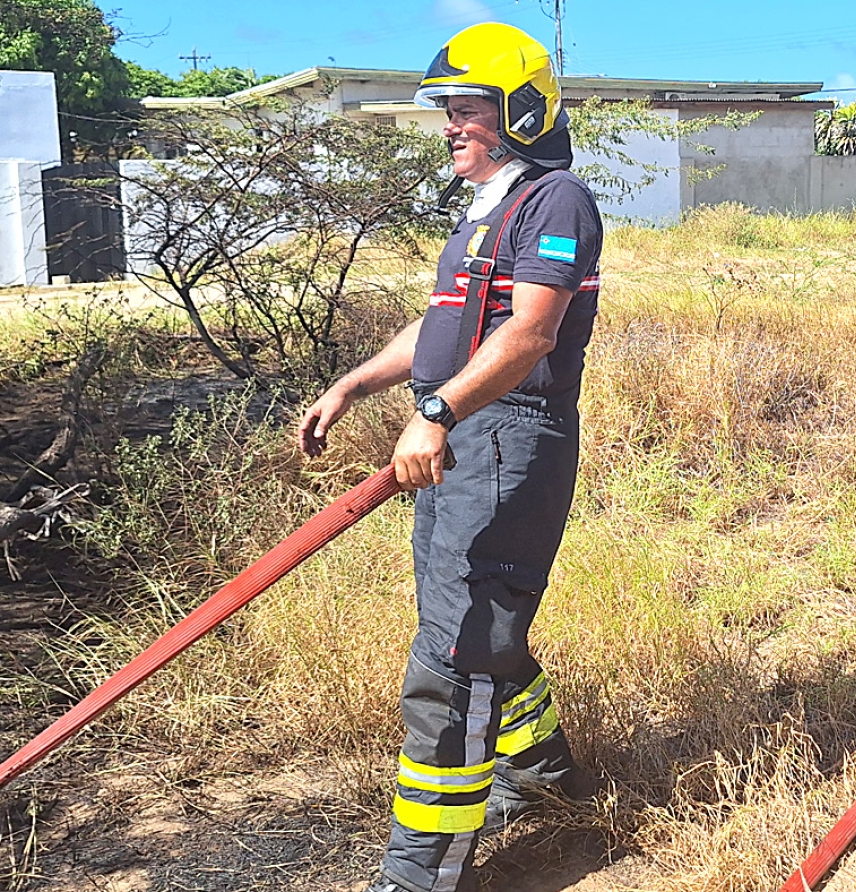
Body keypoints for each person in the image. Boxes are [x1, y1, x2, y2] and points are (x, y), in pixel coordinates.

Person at [296, 22, 602, 892]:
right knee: (475, 627)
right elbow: (444, 327)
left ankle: (422, 873)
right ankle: (543, 776)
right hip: (461, 440)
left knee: (453, 656)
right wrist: (356, 383)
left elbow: (532, 332)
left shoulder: (554, 200)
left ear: (522, 112)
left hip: (509, 441)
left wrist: (435, 411)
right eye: (449, 112)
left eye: (469, 110)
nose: (450, 126)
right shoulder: (485, 212)